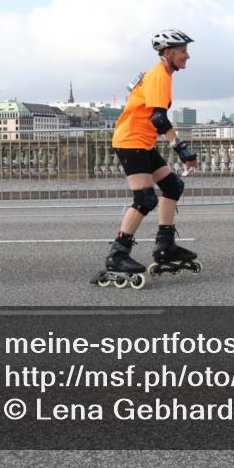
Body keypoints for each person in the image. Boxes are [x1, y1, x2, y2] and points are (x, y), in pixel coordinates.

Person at [91, 29, 199, 288]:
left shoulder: (159, 74)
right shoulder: (159, 76)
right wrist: (181, 148)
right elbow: (158, 119)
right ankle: (118, 254)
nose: (188, 55)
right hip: (130, 141)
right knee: (145, 199)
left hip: (142, 142)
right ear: (167, 53)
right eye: (183, 51)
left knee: (173, 186)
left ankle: (165, 245)